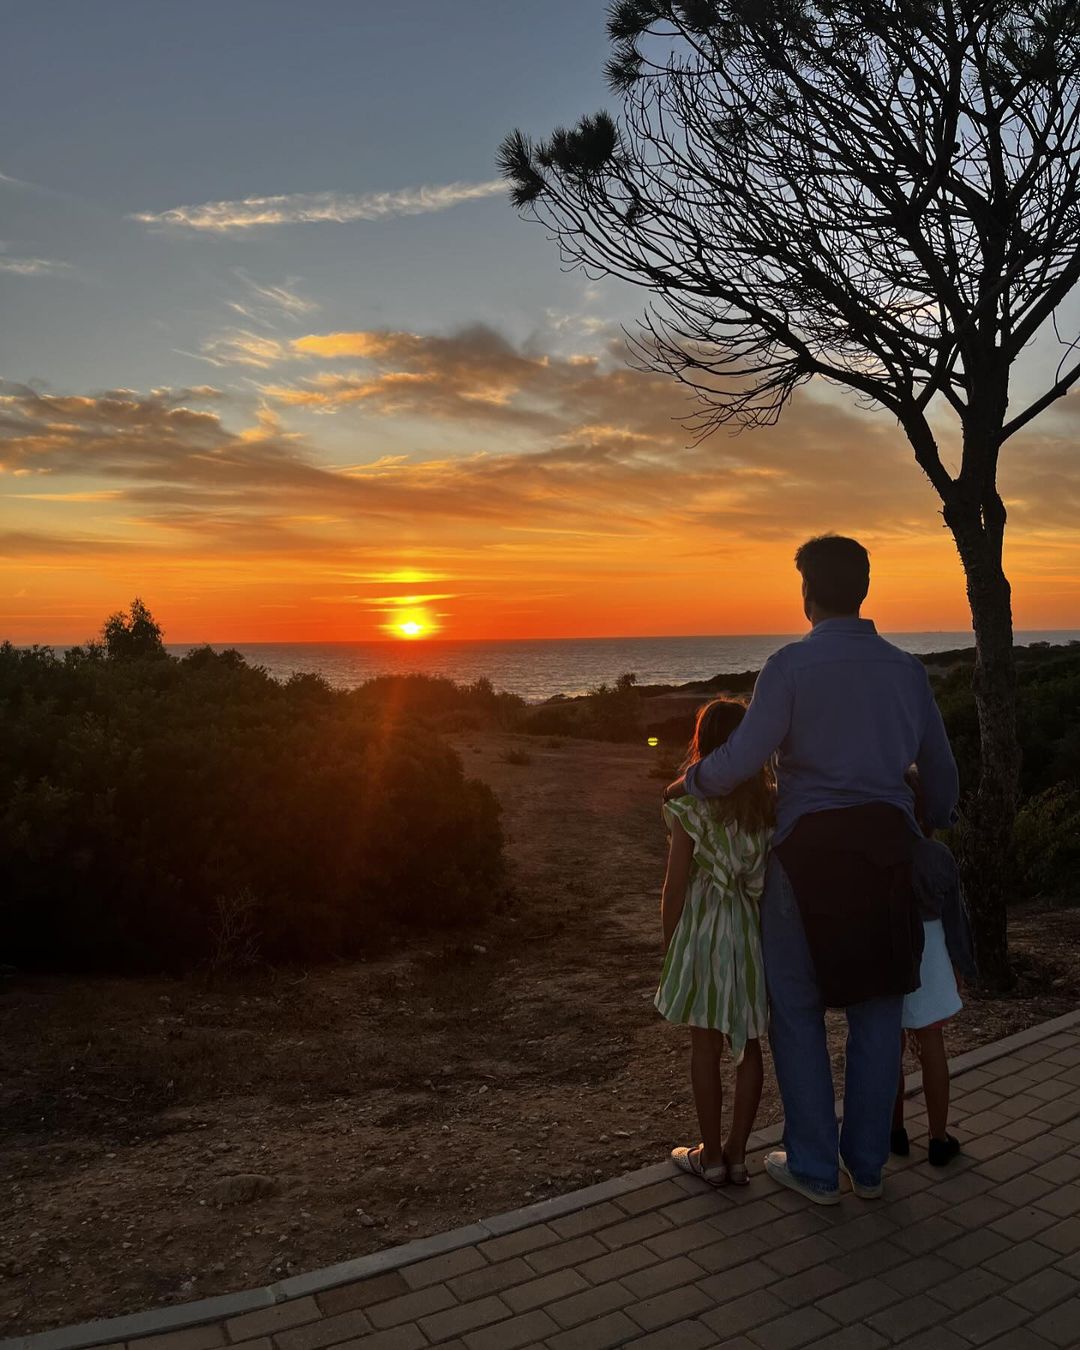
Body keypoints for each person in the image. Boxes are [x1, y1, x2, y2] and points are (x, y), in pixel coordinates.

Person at [665, 535, 959, 1205]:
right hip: (886, 853)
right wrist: (929, 819)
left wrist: (691, 780)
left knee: (796, 1012)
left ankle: (815, 1170)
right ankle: (870, 1168)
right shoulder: (907, 672)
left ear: (808, 594)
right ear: (864, 588)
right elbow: (941, 776)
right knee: (878, 1008)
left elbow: (742, 759)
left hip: (805, 856)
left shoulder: (789, 666)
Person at [657, 699, 774, 1187]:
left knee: (703, 1047)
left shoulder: (691, 806)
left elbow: (675, 885)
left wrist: (671, 945)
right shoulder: (769, 803)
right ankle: (739, 1154)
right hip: (748, 931)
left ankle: (710, 1157)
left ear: (702, 744)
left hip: (704, 932)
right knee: (748, 1046)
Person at [892, 769, 977, 1165]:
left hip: (889, 952)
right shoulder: (938, 856)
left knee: (887, 1047)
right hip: (933, 956)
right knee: (933, 1046)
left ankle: (894, 1132)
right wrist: (961, 965)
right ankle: (939, 1136)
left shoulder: (881, 852)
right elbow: (956, 919)